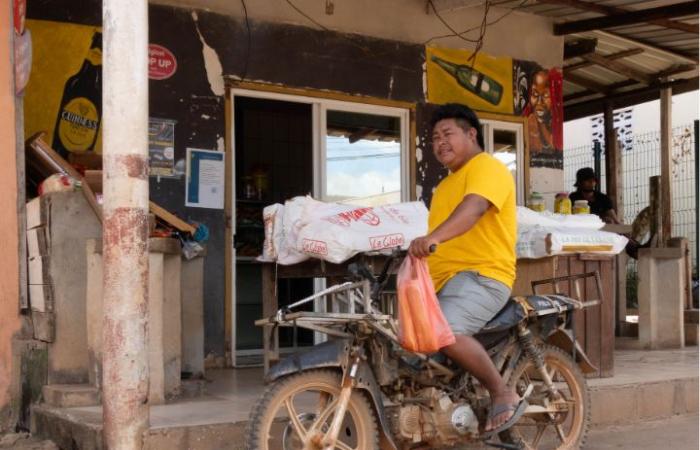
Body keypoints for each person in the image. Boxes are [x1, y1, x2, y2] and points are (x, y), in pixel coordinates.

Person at [409, 103, 526, 435]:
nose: (440, 142)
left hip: (483, 276)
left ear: (471, 134)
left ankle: (501, 391)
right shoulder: (444, 186)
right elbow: (442, 243)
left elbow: (473, 209)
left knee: (446, 330)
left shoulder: (487, 167)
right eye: (434, 138)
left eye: (448, 134)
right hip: (445, 282)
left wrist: (430, 237)